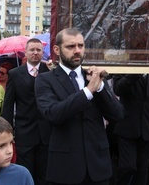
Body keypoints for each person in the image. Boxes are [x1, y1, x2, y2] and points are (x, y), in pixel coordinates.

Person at [35, 28, 125, 184]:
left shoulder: (94, 77)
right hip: (65, 169)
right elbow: (53, 114)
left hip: (98, 168)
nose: (77, 51)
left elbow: (118, 115)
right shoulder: (45, 80)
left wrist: (101, 88)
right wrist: (88, 91)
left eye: (80, 46)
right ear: (57, 49)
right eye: (70, 47)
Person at [1, 38, 51, 184]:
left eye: (38, 50)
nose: (35, 53)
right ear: (25, 53)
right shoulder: (15, 74)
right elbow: (8, 106)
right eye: (32, 50)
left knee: (44, 174)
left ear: (43, 53)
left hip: (46, 133)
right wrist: (7, 133)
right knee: (25, 173)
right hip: (25, 133)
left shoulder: (49, 72)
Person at [112, 72, 149, 185]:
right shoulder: (125, 69)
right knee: (127, 166)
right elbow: (118, 89)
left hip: (147, 130)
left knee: (142, 170)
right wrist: (134, 74)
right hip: (127, 129)